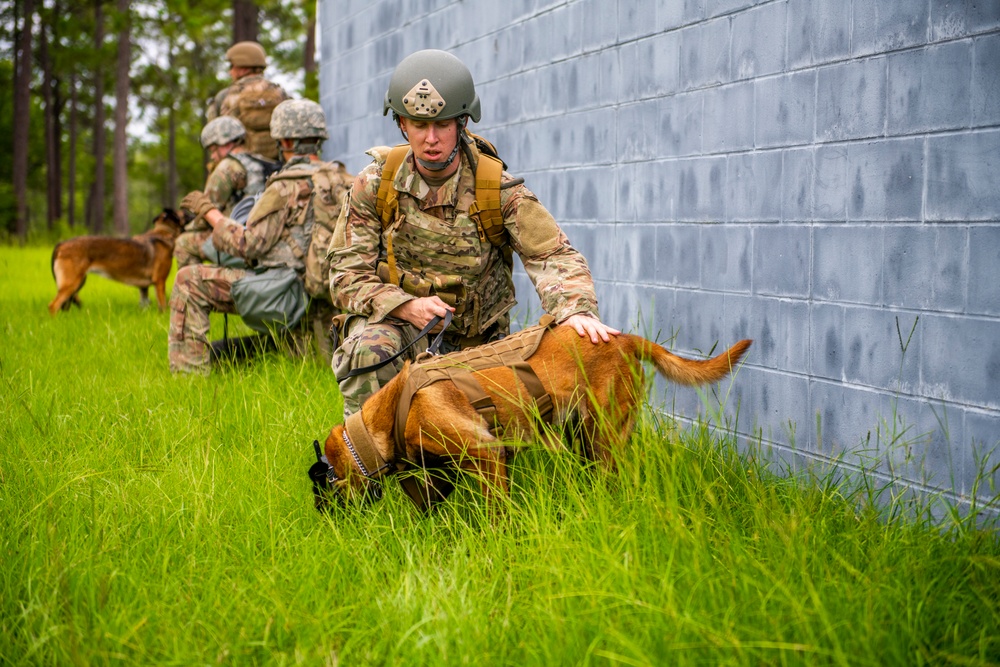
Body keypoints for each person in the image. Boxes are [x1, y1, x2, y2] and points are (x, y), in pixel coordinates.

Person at [328, 49, 620, 417]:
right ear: (402, 124)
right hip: (403, 333)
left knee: (486, 444)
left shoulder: (494, 188)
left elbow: (552, 256)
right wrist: (405, 306)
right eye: (419, 125)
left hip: (479, 345)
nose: (430, 139)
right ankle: (368, 462)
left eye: (443, 124)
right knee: (367, 351)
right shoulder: (375, 184)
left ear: (463, 122)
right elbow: (344, 274)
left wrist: (576, 311)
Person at [169, 99, 348, 375]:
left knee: (188, 280)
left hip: (285, 291)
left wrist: (209, 212)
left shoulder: (285, 185)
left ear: (284, 140)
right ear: (319, 137)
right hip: (331, 292)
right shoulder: (346, 180)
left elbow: (248, 244)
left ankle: (187, 378)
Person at [174, 116, 278, 268]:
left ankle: (198, 288)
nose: (213, 156)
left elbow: (206, 214)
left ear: (226, 143)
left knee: (184, 243)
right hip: (271, 241)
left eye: (213, 149)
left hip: (244, 243)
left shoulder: (227, 167)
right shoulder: (265, 163)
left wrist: (186, 228)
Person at [206, 41, 289, 160]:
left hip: (239, 166)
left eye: (232, 66)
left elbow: (213, 136)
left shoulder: (225, 96)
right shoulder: (280, 93)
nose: (230, 72)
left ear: (242, 68)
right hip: (277, 168)